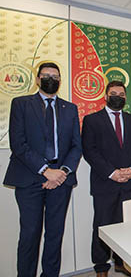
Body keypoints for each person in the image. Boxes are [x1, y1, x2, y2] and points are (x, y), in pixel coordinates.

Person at [3, 62, 82, 276]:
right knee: (30, 235)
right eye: (46, 75)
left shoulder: (70, 108)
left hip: (61, 179)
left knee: (55, 235)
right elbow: (18, 144)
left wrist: (62, 172)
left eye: (55, 76)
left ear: (60, 80)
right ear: (37, 79)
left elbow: (76, 146)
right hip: (31, 177)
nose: (51, 79)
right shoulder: (21, 104)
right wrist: (46, 170)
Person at [82, 81, 131, 277]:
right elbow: (89, 151)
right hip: (105, 182)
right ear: (106, 96)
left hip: (129, 182)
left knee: (125, 225)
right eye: (113, 93)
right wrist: (112, 172)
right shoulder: (92, 120)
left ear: (125, 98)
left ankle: (120, 262)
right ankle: (101, 267)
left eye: (121, 94)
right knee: (102, 225)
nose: (117, 96)